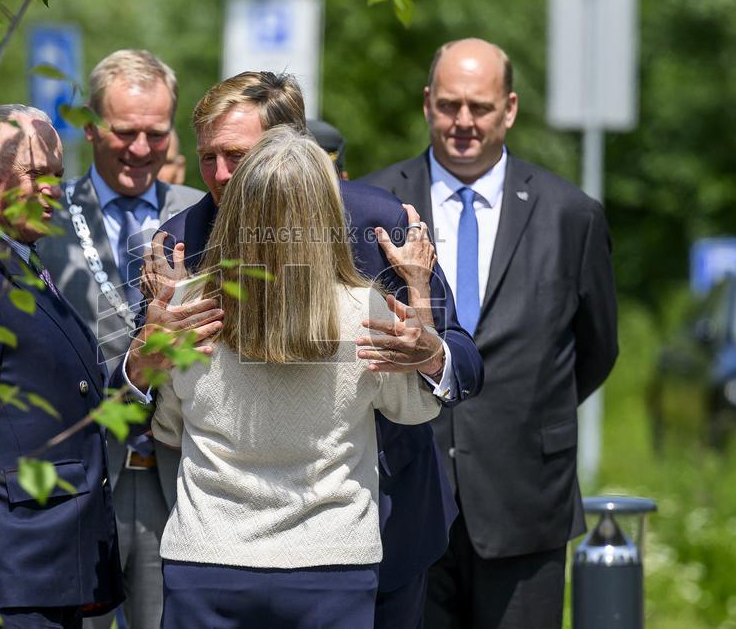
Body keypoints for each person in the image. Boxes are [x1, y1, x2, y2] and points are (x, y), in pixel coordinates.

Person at [122, 71, 484, 629]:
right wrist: (142, 364)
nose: (220, 177)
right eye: (208, 157)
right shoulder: (180, 242)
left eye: (237, 156)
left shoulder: (378, 223)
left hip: (380, 526)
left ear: (290, 148)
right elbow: (148, 393)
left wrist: (429, 354)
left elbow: (459, 356)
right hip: (224, 546)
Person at [358, 38, 619, 628]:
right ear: (427, 104)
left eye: (480, 107)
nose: (464, 123)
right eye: (450, 105)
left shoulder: (570, 214)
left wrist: (524, 412)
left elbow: (597, 348)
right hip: (403, 495)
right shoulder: (374, 206)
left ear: (510, 109)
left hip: (526, 496)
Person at [37, 49, 203, 629]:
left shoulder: (206, 216)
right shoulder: (46, 218)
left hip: (180, 478)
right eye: (124, 131)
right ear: (89, 127)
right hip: (79, 477)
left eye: (155, 134)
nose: (139, 149)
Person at [0, 104, 124, 628]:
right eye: (34, 173)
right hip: (6, 572)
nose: (52, 190)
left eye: (57, 176)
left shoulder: (15, 259)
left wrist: (144, 362)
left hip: (45, 563)